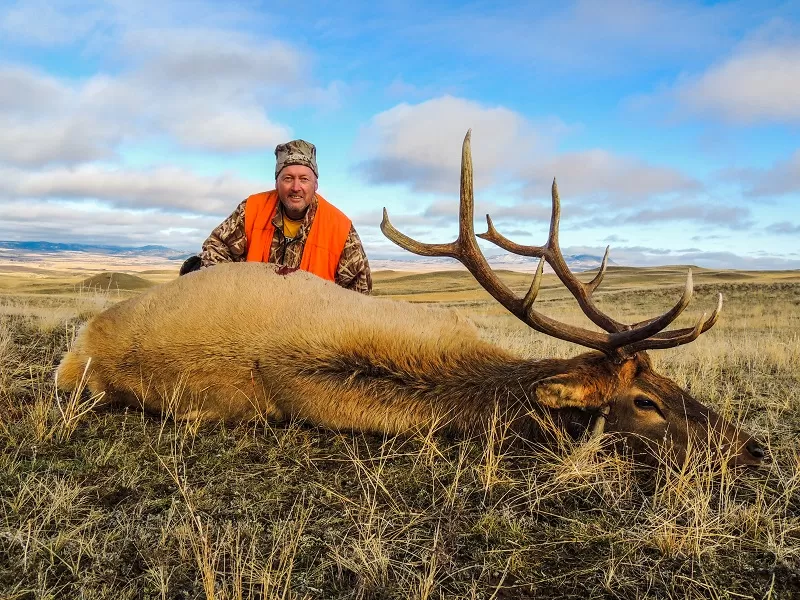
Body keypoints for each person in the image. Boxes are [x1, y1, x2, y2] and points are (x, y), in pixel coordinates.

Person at [182, 139, 372, 295]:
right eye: (288, 178)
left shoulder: (339, 227)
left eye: (304, 179)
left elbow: (359, 293)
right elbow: (216, 247)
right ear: (277, 182)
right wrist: (230, 293)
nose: (296, 187)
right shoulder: (253, 209)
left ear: (315, 184)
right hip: (250, 312)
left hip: (312, 326)